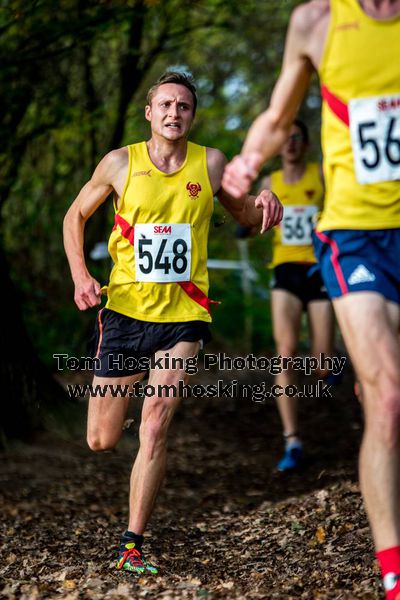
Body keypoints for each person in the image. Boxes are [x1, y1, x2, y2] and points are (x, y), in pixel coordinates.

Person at [63, 71, 282, 575]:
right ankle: (132, 405)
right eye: (165, 104)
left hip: (184, 316)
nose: (173, 113)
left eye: (183, 106)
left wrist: (266, 202)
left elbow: (245, 214)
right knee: (101, 439)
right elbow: (75, 215)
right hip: (124, 314)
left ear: (192, 115)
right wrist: (81, 275)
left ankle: (132, 544)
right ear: (149, 112)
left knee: (157, 418)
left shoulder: (211, 163)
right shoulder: (121, 163)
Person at [222, 1, 400, 598]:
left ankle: (334, 382)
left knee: (352, 371)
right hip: (351, 240)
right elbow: (277, 115)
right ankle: (393, 570)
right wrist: (249, 162)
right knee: (385, 394)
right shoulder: (317, 20)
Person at [257, 119, 335, 472]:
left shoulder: (321, 175)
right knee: (285, 353)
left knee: (321, 366)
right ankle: (292, 439)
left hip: (320, 270)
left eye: (297, 138)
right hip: (285, 271)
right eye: (285, 139)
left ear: (305, 144)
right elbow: (248, 219)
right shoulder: (268, 183)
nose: (290, 144)